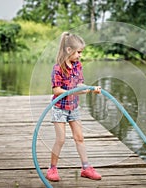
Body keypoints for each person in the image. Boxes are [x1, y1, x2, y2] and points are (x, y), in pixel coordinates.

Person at [46, 32, 102, 182]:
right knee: (61, 139)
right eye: (78, 52)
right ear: (69, 50)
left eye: (81, 52)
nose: (80, 55)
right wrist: (72, 91)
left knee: (80, 138)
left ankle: (86, 168)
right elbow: (56, 90)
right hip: (60, 108)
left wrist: (90, 89)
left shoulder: (78, 66)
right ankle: (52, 169)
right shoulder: (58, 68)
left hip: (73, 107)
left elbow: (79, 86)